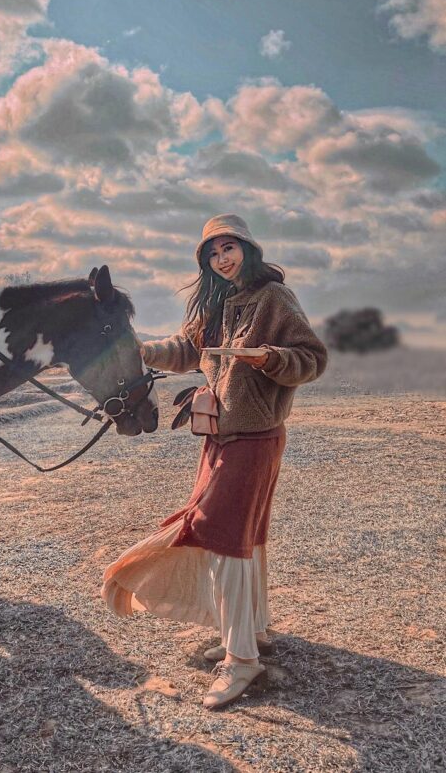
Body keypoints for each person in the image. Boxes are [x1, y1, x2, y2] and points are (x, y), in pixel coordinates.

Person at [102, 214, 327, 710]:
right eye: (212, 253)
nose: (221, 259)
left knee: (222, 537)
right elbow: (187, 349)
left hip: (257, 435)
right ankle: (253, 631)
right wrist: (141, 351)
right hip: (218, 436)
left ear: (247, 247)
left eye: (228, 248)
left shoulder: (274, 298)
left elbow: (312, 358)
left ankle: (242, 660)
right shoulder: (214, 302)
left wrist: (267, 357)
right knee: (247, 536)